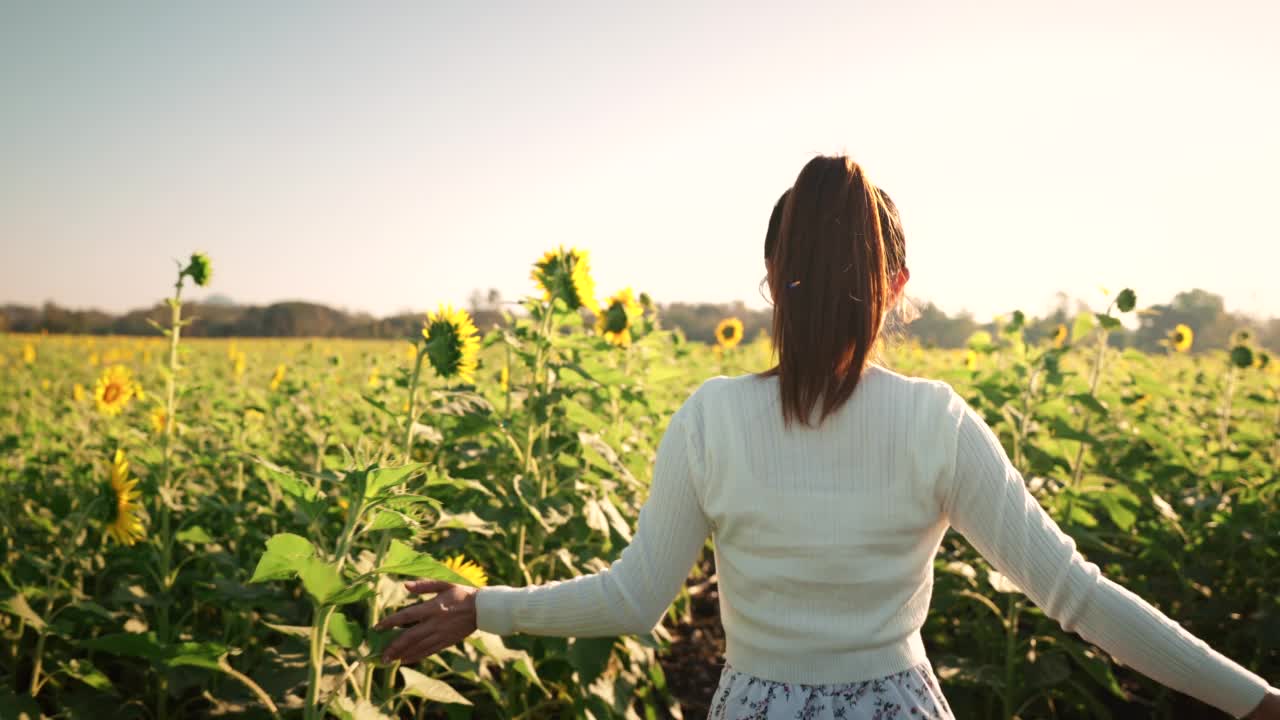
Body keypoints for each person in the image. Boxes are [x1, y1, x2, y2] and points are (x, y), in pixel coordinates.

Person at [375, 154, 1279, 719]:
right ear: (895, 286)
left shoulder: (711, 418)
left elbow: (631, 601)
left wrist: (480, 606)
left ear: (771, 278)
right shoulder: (935, 421)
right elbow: (1076, 597)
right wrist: (1255, 701)